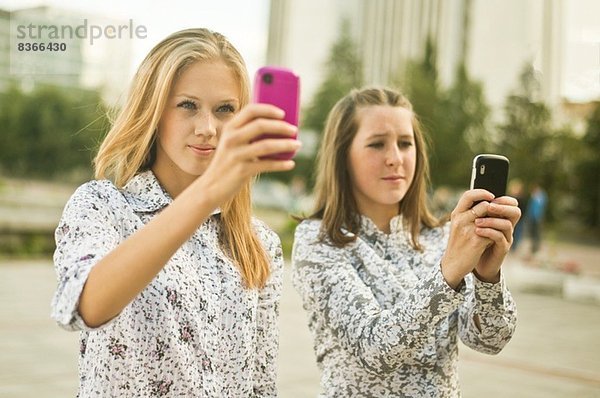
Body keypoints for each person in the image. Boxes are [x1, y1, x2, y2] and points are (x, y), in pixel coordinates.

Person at [51, 28, 300, 397]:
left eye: (224, 109)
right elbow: (87, 305)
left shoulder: (258, 242)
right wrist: (208, 191)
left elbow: (261, 384)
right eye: (187, 105)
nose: (207, 128)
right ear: (154, 110)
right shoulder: (102, 205)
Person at [291, 87, 520, 397]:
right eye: (376, 144)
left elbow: (489, 340)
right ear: (343, 156)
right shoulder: (319, 240)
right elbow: (374, 349)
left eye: (405, 143)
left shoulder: (440, 236)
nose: (395, 159)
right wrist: (448, 273)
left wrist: (487, 276)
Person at [526, 183, 548, 256]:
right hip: (532, 218)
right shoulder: (534, 197)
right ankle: (533, 247)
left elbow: (540, 208)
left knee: (537, 233)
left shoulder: (540, 197)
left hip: (537, 218)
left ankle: (536, 247)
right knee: (532, 233)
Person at [508, 178, 528, 252]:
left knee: (518, 233)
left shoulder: (521, 198)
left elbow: (523, 209)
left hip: (520, 218)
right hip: (511, 218)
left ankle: (514, 247)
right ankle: (512, 246)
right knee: (512, 232)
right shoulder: (510, 197)